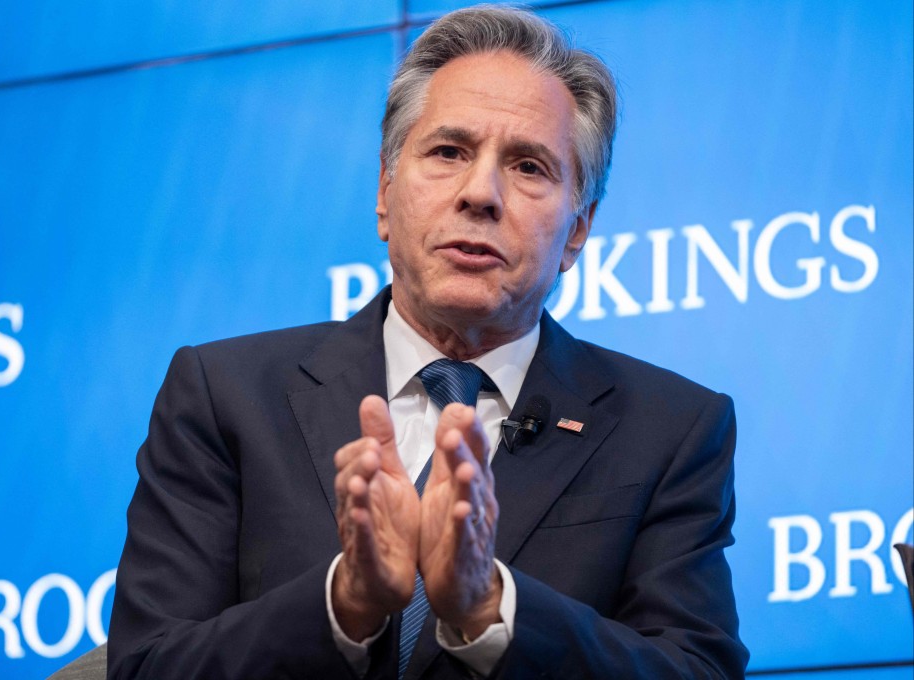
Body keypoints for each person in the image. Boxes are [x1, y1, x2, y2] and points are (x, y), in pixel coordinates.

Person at [107, 6, 748, 679]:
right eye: (448, 152)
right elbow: (149, 666)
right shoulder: (226, 396)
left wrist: (492, 608)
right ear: (385, 195)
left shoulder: (671, 430)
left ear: (579, 230)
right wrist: (344, 602)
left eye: (529, 166)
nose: (481, 194)